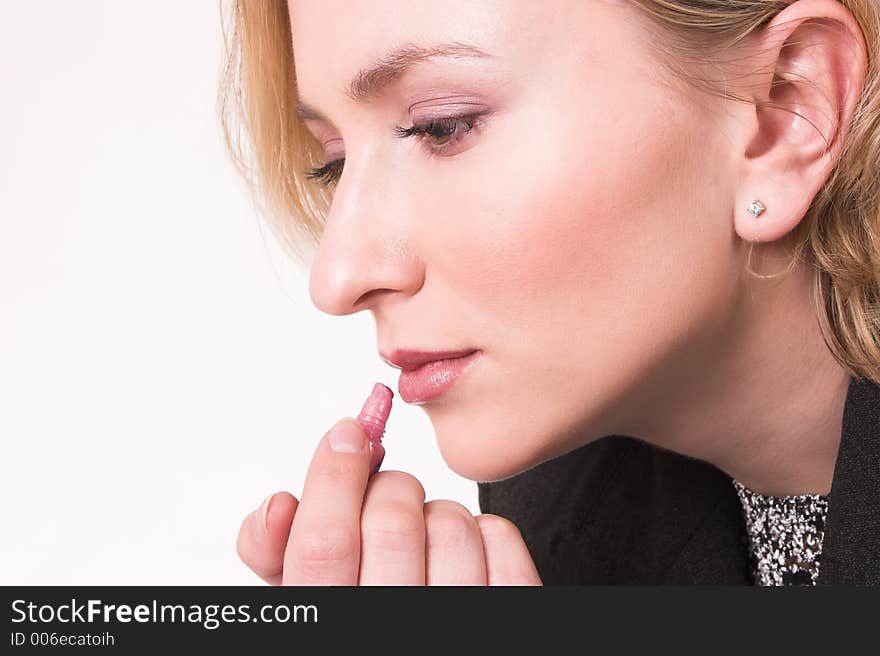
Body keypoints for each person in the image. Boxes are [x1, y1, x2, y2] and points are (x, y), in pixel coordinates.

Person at [219, 0, 880, 585]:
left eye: (442, 126)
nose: (336, 277)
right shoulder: (560, 521)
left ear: (787, 110)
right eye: (333, 162)